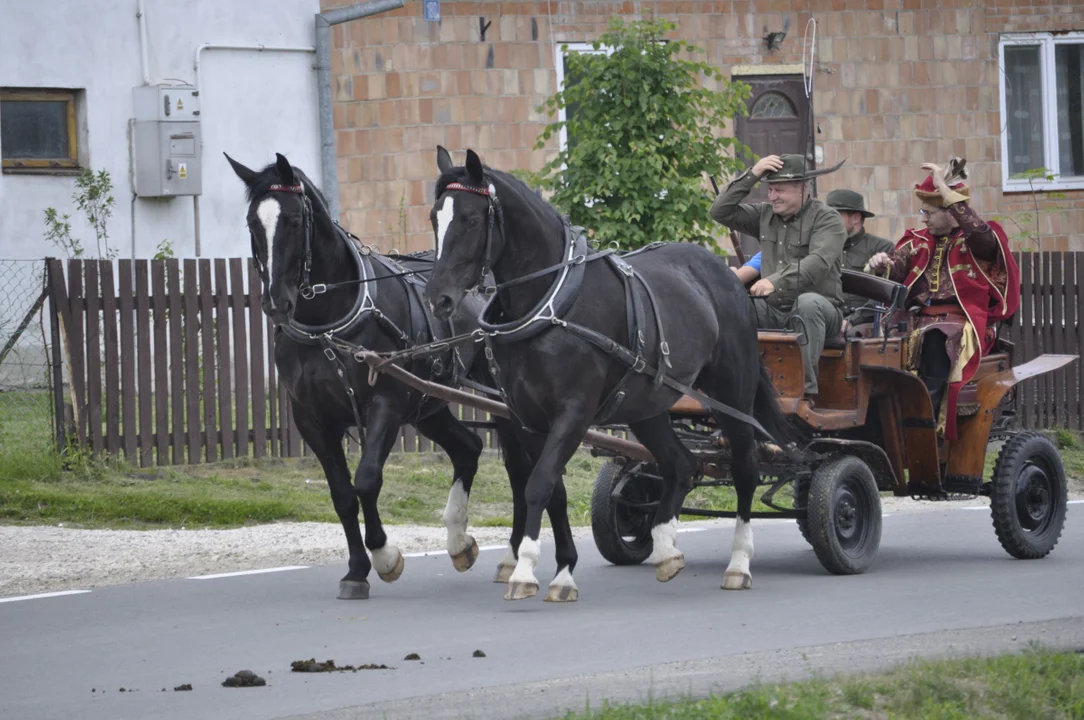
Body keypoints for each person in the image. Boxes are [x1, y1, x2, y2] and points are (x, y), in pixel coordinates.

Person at [867, 161, 1021, 440]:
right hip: (913, 320)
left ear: (951, 211)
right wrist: (882, 263)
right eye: (921, 211)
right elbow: (898, 265)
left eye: (928, 211)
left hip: (963, 325)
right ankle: (882, 423)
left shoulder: (980, 239)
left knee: (935, 339)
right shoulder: (917, 239)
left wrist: (945, 191)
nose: (923, 218)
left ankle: (925, 427)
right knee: (876, 342)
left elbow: (981, 237)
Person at [711, 153, 847, 397]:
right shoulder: (765, 215)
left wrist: (774, 281)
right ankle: (735, 385)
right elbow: (719, 211)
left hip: (822, 312)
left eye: (780, 190)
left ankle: (801, 394)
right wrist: (753, 174)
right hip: (774, 309)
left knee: (806, 303)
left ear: (803, 188)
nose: (772, 197)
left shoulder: (827, 218)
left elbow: (818, 263)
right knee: (733, 306)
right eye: (770, 189)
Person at [825, 189, 895, 333]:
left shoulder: (881, 247)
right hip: (828, 319)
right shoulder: (823, 247)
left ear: (856, 218)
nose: (828, 221)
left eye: (834, 216)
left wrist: (852, 321)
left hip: (864, 322)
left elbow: (882, 296)